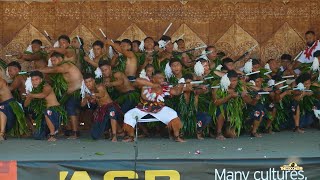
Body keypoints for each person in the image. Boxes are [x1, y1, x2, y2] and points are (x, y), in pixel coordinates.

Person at [123, 71, 186, 142]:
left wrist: (181, 85)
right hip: (144, 107)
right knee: (128, 115)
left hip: (159, 108)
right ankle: (131, 137)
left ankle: (177, 136)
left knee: (173, 114)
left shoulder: (165, 87)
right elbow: (138, 80)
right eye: (160, 78)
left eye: (163, 78)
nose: (162, 79)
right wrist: (153, 85)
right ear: (153, 79)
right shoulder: (146, 84)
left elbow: (176, 92)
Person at [39, 52, 83, 139]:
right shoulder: (61, 67)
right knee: (60, 106)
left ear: (60, 59)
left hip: (78, 92)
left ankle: (75, 132)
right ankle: (66, 129)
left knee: (70, 107)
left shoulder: (66, 65)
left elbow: (54, 70)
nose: (53, 63)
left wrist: (39, 70)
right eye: (51, 61)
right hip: (68, 94)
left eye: (54, 60)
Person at [24, 71, 66, 141]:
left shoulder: (46, 86)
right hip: (44, 116)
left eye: (36, 79)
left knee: (47, 111)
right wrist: (29, 97)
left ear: (41, 80)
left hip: (54, 112)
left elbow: (43, 95)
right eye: (32, 80)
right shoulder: (33, 91)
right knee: (37, 136)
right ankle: (49, 132)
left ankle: (52, 135)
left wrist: (31, 95)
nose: (34, 82)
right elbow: (25, 105)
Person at [81, 74, 123, 142]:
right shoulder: (87, 92)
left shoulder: (100, 86)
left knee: (112, 113)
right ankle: (109, 130)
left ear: (94, 81)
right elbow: (82, 105)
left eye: (90, 81)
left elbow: (101, 95)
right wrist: (85, 97)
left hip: (110, 106)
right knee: (94, 135)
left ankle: (114, 135)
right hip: (101, 110)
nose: (88, 84)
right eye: (86, 82)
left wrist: (91, 95)